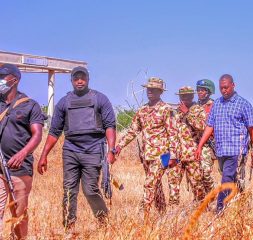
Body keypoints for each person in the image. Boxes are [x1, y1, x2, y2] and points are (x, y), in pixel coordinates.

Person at [38, 66, 116, 230]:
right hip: (71, 150)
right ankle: (69, 227)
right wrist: (44, 155)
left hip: (94, 149)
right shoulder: (64, 102)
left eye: (82, 78)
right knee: (69, 190)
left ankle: (104, 223)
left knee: (90, 189)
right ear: (72, 80)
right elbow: (54, 131)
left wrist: (111, 150)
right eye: (76, 78)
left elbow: (110, 126)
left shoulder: (100, 99)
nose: (79, 81)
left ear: (88, 79)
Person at [195, 74, 253, 213]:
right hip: (221, 151)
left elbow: (251, 129)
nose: (224, 90)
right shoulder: (216, 104)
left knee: (226, 180)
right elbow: (209, 126)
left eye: (226, 87)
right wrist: (200, 145)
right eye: (221, 88)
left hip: (236, 150)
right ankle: (242, 205)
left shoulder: (244, 104)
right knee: (234, 180)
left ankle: (220, 210)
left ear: (233, 85)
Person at [114, 77, 179, 216]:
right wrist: (119, 146)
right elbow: (133, 131)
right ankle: (162, 215)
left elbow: (173, 133)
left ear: (160, 92)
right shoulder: (142, 110)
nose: (150, 92)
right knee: (156, 186)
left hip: (163, 155)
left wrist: (173, 155)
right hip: (146, 155)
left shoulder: (166, 109)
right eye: (148, 89)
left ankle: (145, 216)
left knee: (149, 183)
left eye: (154, 89)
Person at [0, 64, 44, 239]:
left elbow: (37, 134)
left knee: (19, 213)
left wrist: (22, 154)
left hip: (20, 168)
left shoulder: (30, 105)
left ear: (15, 80)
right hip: (0, 168)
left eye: (3, 76)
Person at [166, 86, 206, 206]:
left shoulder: (198, 109)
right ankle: (173, 210)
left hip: (192, 153)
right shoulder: (175, 111)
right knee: (173, 182)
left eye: (187, 96)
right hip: (175, 154)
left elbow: (202, 126)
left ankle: (202, 207)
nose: (185, 98)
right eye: (182, 96)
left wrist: (187, 113)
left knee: (197, 183)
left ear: (192, 96)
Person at [196, 79, 216, 195]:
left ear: (208, 91)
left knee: (205, 172)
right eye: (198, 90)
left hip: (210, 143)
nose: (199, 92)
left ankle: (212, 194)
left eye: (202, 90)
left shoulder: (214, 105)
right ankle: (202, 198)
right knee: (197, 174)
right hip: (196, 144)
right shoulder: (195, 106)